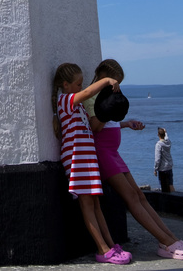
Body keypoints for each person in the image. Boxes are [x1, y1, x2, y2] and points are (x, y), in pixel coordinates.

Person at [86, 59, 183, 260]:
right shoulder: (91, 96)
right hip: (103, 153)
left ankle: (170, 238)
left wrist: (126, 123)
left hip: (113, 152)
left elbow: (110, 123)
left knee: (139, 195)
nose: (116, 87)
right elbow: (95, 127)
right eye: (114, 82)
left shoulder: (103, 96)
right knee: (131, 197)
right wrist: (108, 108)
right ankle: (166, 242)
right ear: (104, 78)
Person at [52, 62, 132, 264]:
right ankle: (102, 249)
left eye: (81, 84)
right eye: (78, 84)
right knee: (87, 204)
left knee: (96, 204)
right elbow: (88, 92)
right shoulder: (65, 100)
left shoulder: (76, 106)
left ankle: (110, 244)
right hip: (77, 160)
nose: (81, 87)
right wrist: (106, 80)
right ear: (65, 84)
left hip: (87, 160)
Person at [155, 128, 175, 192]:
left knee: (164, 187)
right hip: (169, 166)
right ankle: (175, 197)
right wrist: (165, 132)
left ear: (158, 134)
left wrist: (155, 169)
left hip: (162, 169)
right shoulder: (168, 142)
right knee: (170, 184)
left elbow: (157, 159)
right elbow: (167, 137)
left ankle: (166, 200)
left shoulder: (158, 145)